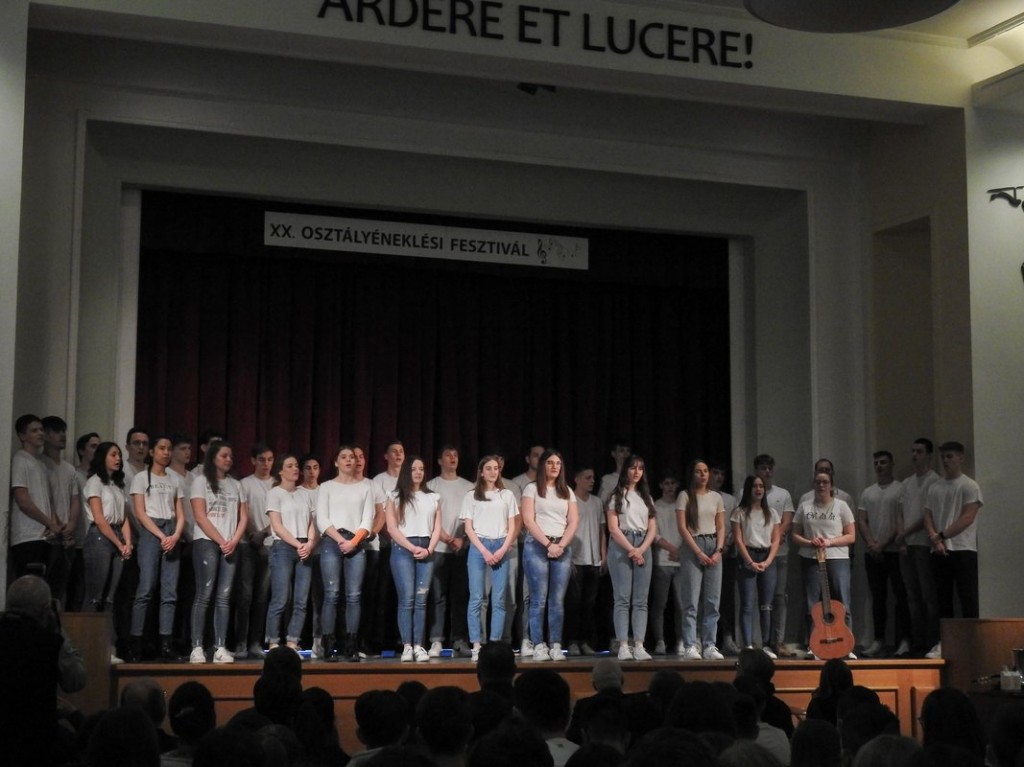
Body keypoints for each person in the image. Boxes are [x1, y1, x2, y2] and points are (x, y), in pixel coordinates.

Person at [0, 575, 86, 767]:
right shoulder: (49, 643)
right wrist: (58, 629)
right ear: (46, 610)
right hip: (36, 745)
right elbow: (76, 680)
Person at [128, 434, 186, 662]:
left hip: (171, 530)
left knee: (170, 592)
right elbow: (140, 512)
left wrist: (176, 535)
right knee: (146, 588)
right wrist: (162, 535)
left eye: (169, 448)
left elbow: (180, 513)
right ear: (152, 452)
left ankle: (166, 644)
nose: (166, 452)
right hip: (152, 532)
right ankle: (136, 644)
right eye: (162, 448)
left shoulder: (175, 479)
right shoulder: (141, 478)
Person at [189, 440, 248, 664]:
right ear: (213, 457)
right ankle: (197, 647)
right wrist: (222, 540)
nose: (228, 459)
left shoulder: (236, 485)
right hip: (207, 542)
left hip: (230, 544)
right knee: (204, 593)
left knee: (224, 596)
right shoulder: (200, 481)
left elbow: (244, 517)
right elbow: (200, 516)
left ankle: (220, 647)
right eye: (224, 455)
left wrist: (233, 540)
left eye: (231, 456)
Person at [923, 441, 983, 659]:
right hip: (939, 550)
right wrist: (934, 538)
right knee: (943, 600)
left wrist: (942, 535)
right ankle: (945, 643)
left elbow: (968, 517)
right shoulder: (935, 487)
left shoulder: (969, 485)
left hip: (963, 549)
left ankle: (971, 643)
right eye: (943, 457)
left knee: (968, 599)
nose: (946, 461)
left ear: (960, 458)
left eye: (950, 456)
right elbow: (927, 515)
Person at [317, 445, 375, 661]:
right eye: (344, 457)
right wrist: (341, 540)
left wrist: (353, 542)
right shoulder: (326, 487)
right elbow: (322, 519)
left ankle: (351, 645)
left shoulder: (365, 487)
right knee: (332, 594)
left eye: (352, 457)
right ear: (336, 462)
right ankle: (329, 645)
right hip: (332, 541)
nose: (349, 460)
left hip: (355, 542)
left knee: (354, 596)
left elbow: (367, 520)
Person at [521, 448, 579, 662]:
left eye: (558, 463)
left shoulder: (567, 491)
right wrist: (548, 544)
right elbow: (528, 520)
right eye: (550, 463)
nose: (554, 467)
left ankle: (555, 645)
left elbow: (573, 521)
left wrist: (560, 545)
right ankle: (538, 644)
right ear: (543, 465)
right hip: (538, 545)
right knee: (538, 599)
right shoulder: (532, 489)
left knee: (557, 600)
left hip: (561, 546)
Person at [792, 471, 856, 657]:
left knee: (842, 601)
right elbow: (795, 535)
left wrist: (829, 542)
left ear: (831, 485)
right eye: (818, 482)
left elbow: (851, 536)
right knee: (812, 603)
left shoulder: (842, 506)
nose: (821, 485)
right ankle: (814, 645)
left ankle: (846, 645)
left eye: (825, 482)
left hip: (837, 557)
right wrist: (810, 542)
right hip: (811, 557)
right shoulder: (805, 506)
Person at [461, 455, 519, 661]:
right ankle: (477, 644)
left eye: (496, 468)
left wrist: (502, 549)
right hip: (479, 547)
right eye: (489, 468)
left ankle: (495, 643)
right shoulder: (471, 496)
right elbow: (468, 528)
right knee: (477, 597)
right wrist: (484, 551)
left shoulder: (507, 495)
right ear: (481, 472)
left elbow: (512, 526)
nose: (493, 471)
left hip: (501, 545)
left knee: (499, 599)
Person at [386, 455, 442, 662]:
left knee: (421, 599)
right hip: (403, 548)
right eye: (413, 469)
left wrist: (429, 549)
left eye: (421, 469)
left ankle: (419, 645)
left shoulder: (433, 497)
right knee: (407, 599)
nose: (418, 472)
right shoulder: (394, 496)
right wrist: (411, 547)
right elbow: (391, 528)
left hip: (426, 548)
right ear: (406, 472)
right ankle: (407, 646)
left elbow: (437, 527)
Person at [83, 440, 133, 664]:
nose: (118, 458)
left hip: (117, 537)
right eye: (113, 454)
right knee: (95, 595)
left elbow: (123, 518)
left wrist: (128, 542)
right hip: (100, 537)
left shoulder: (118, 485)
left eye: (119, 455)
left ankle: (108, 647)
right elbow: (100, 518)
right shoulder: (95, 482)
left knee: (111, 598)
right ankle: (88, 646)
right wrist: (118, 543)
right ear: (102, 457)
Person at [856, 450, 909, 658]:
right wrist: (872, 543)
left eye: (883, 462)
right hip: (873, 553)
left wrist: (884, 543)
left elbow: (901, 519)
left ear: (892, 464)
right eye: (876, 463)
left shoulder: (900, 489)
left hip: (894, 551)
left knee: (901, 596)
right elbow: (862, 520)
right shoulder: (868, 492)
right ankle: (878, 640)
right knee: (878, 598)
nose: (879, 466)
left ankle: (903, 640)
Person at [606, 454, 658, 661]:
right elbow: (613, 528)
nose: (637, 472)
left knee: (641, 600)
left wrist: (641, 549)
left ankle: (639, 644)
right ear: (625, 470)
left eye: (640, 468)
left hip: (643, 544)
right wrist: (632, 549)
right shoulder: (616, 496)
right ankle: (623, 645)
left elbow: (652, 528)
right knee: (622, 598)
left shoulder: (646, 497)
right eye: (633, 468)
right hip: (622, 544)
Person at [265, 453, 317, 653]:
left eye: (296, 465)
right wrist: (298, 544)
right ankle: (273, 642)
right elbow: (277, 526)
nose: (295, 469)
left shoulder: (304, 494)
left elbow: (311, 522)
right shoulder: (275, 493)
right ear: (280, 471)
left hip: (304, 547)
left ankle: (293, 642)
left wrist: (309, 543)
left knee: (301, 600)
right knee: (281, 598)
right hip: (284, 547)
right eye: (290, 466)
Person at [426, 445, 474, 658]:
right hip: (438, 548)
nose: (453, 458)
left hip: (462, 548)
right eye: (448, 455)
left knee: (460, 596)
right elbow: (428, 518)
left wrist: (462, 539)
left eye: (455, 455)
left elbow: (472, 516)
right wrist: (446, 537)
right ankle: (436, 640)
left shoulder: (469, 487)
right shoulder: (431, 486)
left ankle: (459, 639)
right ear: (439, 460)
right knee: (438, 596)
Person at [676, 459, 727, 660]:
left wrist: (719, 550)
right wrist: (698, 552)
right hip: (693, 546)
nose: (703, 474)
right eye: (699, 471)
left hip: (713, 544)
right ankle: (690, 644)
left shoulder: (716, 497)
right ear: (692, 474)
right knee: (691, 600)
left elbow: (721, 526)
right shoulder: (685, 496)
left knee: (712, 600)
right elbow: (682, 527)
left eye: (706, 471)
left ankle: (709, 645)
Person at [895, 438, 940, 657]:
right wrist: (902, 538)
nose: (914, 455)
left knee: (927, 596)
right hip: (907, 546)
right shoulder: (907, 482)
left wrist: (905, 533)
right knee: (911, 596)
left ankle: (932, 641)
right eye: (913, 451)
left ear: (928, 455)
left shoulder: (934, 481)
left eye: (919, 451)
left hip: (923, 543)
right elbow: (900, 512)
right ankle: (917, 641)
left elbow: (927, 515)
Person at [732, 475, 781, 656]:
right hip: (748, 556)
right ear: (748, 489)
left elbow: (776, 539)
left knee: (766, 604)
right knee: (747, 603)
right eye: (754, 486)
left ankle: (766, 644)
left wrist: (768, 561)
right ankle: (748, 645)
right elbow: (738, 539)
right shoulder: (740, 512)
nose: (758, 489)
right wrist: (750, 562)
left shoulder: (772, 513)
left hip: (767, 556)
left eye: (761, 486)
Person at [10, 414, 63, 580]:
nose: (40, 433)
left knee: (42, 583)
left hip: (44, 535)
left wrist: (53, 524)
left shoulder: (41, 463)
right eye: (34, 430)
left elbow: (48, 499)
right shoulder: (20, 459)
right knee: (29, 583)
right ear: (22, 435)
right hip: (27, 535)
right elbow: (23, 500)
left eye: (41, 430)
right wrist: (49, 523)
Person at [753, 454, 797, 657]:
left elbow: (787, 521)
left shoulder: (783, 494)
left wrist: (774, 537)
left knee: (779, 597)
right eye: (763, 468)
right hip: (755, 553)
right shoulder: (747, 492)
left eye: (770, 468)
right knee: (758, 597)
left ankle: (777, 641)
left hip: (779, 553)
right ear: (756, 471)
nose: (767, 472)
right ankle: (759, 641)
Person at [235, 443, 274, 660]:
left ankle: (255, 642)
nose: (266, 464)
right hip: (247, 544)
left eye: (269, 460)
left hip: (269, 544)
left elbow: (278, 515)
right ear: (253, 461)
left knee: (262, 596)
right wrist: (253, 534)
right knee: (245, 595)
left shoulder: (276, 485)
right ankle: (240, 641)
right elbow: (243, 513)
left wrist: (264, 533)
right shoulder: (245, 484)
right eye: (261, 459)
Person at [39, 416, 81, 607]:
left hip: (66, 535)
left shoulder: (69, 469)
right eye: (57, 431)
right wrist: (55, 523)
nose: (62, 435)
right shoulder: (40, 464)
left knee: (61, 587)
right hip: (47, 534)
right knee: (43, 586)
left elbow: (75, 499)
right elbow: (45, 498)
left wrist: (71, 523)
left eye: (64, 431)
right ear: (46, 435)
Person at [566, 464, 605, 657]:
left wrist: (603, 554)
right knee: (574, 603)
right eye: (588, 478)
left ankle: (585, 641)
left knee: (589, 605)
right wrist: (568, 557)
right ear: (577, 479)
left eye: (593, 478)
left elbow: (601, 529)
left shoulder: (597, 502)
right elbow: (564, 529)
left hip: (593, 559)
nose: (592, 481)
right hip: (576, 559)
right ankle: (573, 641)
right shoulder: (569, 500)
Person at [511, 442, 545, 655]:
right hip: (525, 543)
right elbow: (518, 516)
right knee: (524, 594)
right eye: (535, 455)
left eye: (543, 456)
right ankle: (525, 638)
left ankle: (539, 638)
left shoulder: (550, 485)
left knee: (540, 594)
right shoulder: (518, 483)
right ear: (528, 459)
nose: (539, 460)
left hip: (547, 545)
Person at [649, 470, 683, 656]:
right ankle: (660, 641)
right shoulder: (656, 506)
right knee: (660, 604)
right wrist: (672, 549)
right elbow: (654, 534)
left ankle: (681, 640)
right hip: (662, 560)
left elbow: (688, 530)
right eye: (666, 483)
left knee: (681, 604)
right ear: (661, 485)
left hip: (681, 561)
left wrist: (680, 551)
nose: (670, 487)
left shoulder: (682, 504)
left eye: (673, 483)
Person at [711, 462, 742, 657]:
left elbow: (733, 524)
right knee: (706, 597)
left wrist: (726, 545)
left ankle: (727, 638)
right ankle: (703, 639)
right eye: (716, 472)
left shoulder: (730, 499)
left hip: (727, 554)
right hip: (706, 550)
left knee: (726, 599)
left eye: (722, 473)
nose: (719, 477)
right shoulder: (699, 496)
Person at [598, 438, 632, 504]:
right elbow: (601, 503)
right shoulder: (608, 480)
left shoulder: (635, 478)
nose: (626, 454)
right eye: (622, 451)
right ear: (613, 453)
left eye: (628, 451)